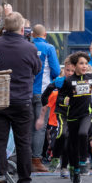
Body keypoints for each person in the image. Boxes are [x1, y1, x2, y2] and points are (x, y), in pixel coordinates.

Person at [0, 12, 42, 183]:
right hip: (22, 100)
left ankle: (0, 181)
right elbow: (37, 69)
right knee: (23, 142)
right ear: (22, 28)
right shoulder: (29, 48)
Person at [54, 52, 92, 183]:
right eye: (81, 63)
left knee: (83, 133)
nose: (84, 66)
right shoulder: (68, 81)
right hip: (72, 116)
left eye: (86, 63)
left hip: (87, 113)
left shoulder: (90, 77)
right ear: (75, 65)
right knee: (73, 146)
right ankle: (75, 169)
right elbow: (60, 96)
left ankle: (83, 161)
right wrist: (64, 100)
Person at [31, 24, 60, 172]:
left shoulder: (27, 45)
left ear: (32, 34)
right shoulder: (49, 48)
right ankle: (36, 160)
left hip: (25, 92)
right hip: (42, 93)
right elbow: (56, 71)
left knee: (27, 127)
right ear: (45, 34)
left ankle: (23, 159)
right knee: (40, 128)